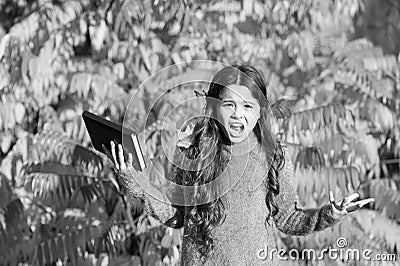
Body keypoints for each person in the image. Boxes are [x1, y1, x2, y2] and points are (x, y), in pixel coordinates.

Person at [105, 65, 374, 265]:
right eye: (229, 104)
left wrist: (330, 213)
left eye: (248, 106)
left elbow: (288, 218)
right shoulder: (194, 149)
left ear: (259, 112)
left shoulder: (273, 154)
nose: (238, 114)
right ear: (213, 107)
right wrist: (134, 179)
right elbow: (176, 214)